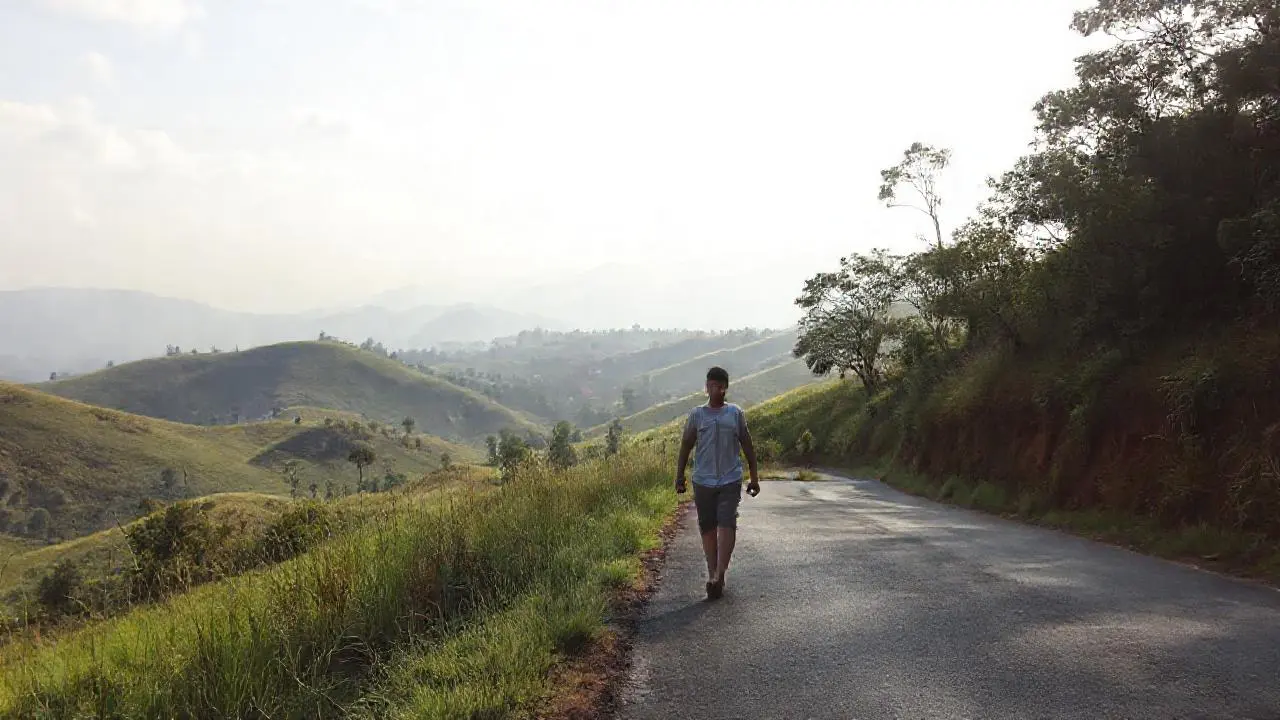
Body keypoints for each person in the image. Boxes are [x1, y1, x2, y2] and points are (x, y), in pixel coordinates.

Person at [675, 366, 760, 600]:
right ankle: (712, 573)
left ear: (725, 388)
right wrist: (679, 476)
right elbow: (686, 445)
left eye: (719, 386)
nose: (714, 389)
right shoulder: (697, 415)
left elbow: (747, 445)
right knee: (708, 527)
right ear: (706, 387)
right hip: (703, 480)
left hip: (730, 478)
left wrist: (754, 477)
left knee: (726, 523)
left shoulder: (735, 413)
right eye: (711, 385)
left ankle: (720, 575)